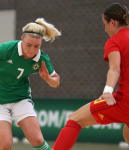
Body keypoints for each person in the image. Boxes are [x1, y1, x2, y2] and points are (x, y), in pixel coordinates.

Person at [52, 3, 129, 150]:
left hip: (125, 102)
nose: (105, 29)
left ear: (112, 22)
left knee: (74, 119)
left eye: (105, 24)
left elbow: (114, 68)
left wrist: (107, 90)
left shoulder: (114, 41)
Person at [0, 18, 61, 150]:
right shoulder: (6, 49)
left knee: (37, 139)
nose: (32, 50)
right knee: (5, 145)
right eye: (28, 45)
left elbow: (56, 82)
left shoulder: (42, 59)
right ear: (22, 39)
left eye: (37, 46)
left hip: (20, 99)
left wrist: (48, 79)